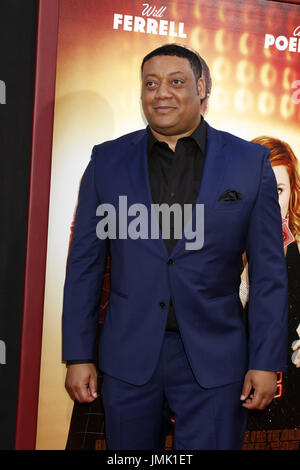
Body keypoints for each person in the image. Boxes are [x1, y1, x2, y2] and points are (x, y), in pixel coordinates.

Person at [62, 44, 288, 450]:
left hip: (216, 359)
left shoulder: (248, 162)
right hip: (129, 357)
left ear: (202, 88)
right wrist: (78, 355)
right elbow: (85, 266)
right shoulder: (107, 161)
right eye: (150, 83)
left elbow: (270, 274)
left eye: (175, 81)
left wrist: (265, 361)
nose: (160, 92)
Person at [239, 136, 300, 434]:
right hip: (232, 400)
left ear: (292, 194)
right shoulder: (218, 253)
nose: (267, 202)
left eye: (277, 190)